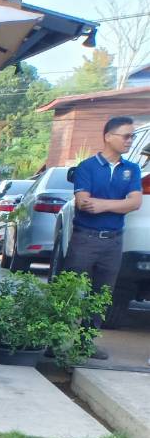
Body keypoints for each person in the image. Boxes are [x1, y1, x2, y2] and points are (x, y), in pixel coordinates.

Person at [65, 115, 142, 352]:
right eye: (126, 136)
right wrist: (118, 203)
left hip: (113, 240)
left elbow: (135, 202)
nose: (130, 141)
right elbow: (83, 202)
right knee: (68, 289)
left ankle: (85, 343)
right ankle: (54, 338)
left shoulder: (132, 169)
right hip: (85, 237)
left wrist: (103, 205)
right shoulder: (87, 167)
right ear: (109, 137)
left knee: (101, 294)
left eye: (133, 136)